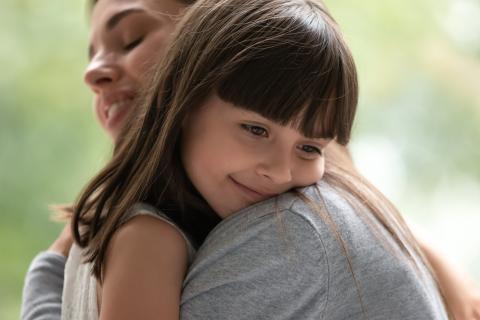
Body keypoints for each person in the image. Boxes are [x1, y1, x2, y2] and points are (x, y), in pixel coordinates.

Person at [20, 0, 480, 319]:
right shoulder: (150, 234)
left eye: (132, 37)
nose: (94, 71)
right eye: (256, 130)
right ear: (184, 96)